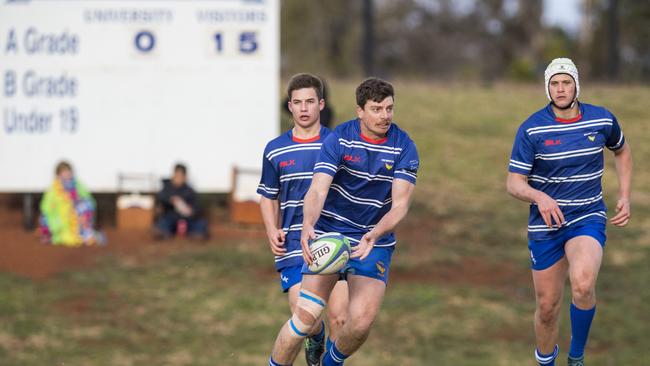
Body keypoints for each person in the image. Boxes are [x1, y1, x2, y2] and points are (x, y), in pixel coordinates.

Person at [268, 77, 419, 366]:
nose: (385, 116)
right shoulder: (339, 139)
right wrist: (308, 223)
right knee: (304, 322)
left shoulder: (404, 146)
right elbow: (318, 189)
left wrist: (374, 234)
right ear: (360, 111)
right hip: (328, 234)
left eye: (389, 109)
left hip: (372, 242)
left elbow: (400, 205)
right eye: (377, 109)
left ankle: (331, 362)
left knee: (360, 324)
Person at [506, 58, 632, 366]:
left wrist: (625, 195)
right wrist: (540, 197)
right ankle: (546, 361)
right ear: (547, 88)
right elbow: (513, 183)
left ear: (576, 85)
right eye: (554, 83)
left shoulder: (601, 120)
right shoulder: (532, 129)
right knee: (548, 307)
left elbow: (622, 150)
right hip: (545, 227)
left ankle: (576, 357)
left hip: (586, 217)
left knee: (583, 283)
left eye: (566, 82)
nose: (560, 89)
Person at [258, 73, 348, 366]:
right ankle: (314, 337)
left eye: (310, 101)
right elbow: (268, 196)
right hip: (295, 246)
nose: (304, 108)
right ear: (290, 106)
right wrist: (271, 229)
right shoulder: (275, 149)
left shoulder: (338, 145)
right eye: (298, 102)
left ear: (321, 104)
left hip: (335, 240)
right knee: (305, 319)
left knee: (341, 318)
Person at [39, 161, 105, 246]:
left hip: (76, 213)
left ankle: (85, 233)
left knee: (85, 206)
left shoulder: (77, 184)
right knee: (45, 218)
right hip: (60, 215)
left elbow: (88, 199)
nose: (66, 174)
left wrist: (78, 202)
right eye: (64, 172)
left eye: (68, 171)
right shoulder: (53, 188)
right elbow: (45, 206)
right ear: (58, 174)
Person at [153, 163, 208, 240]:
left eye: (181, 176)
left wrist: (192, 211)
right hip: (171, 217)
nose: (178, 179)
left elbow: (197, 206)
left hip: (187, 219)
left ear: (185, 177)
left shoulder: (190, 190)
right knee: (163, 221)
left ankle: (197, 234)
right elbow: (160, 197)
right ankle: (162, 232)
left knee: (200, 223)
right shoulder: (167, 188)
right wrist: (171, 200)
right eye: (177, 176)